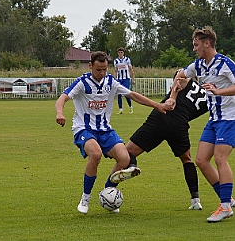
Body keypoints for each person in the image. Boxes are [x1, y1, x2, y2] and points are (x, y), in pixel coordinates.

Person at [55, 51, 172, 214]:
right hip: (84, 128)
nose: (102, 73)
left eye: (104, 69)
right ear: (90, 66)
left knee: (124, 159)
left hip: (105, 129)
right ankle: (85, 198)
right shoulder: (82, 83)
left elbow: (132, 95)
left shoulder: (111, 82)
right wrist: (60, 113)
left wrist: (157, 105)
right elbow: (62, 98)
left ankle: (108, 192)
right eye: (98, 70)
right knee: (95, 155)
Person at [110, 70, 208, 210]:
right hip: (179, 125)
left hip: (161, 116)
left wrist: (173, 97)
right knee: (187, 160)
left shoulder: (189, 80)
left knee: (127, 153)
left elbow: (180, 75)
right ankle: (195, 200)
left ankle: (117, 182)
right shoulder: (211, 96)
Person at [176, 26, 235, 223]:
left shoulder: (225, 64)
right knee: (201, 160)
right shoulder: (199, 65)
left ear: (207, 43)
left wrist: (220, 92)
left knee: (220, 158)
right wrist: (176, 91)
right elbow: (181, 73)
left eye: (196, 45)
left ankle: (225, 206)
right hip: (214, 120)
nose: (194, 49)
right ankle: (228, 200)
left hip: (229, 118)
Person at [114, 47, 135, 114]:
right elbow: (115, 71)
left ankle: (130, 107)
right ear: (118, 53)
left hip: (126, 79)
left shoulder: (127, 60)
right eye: (119, 52)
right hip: (119, 79)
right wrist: (115, 79)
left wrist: (133, 79)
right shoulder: (116, 61)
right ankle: (120, 109)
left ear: (123, 53)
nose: (120, 54)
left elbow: (131, 69)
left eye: (121, 52)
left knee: (126, 93)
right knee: (119, 94)